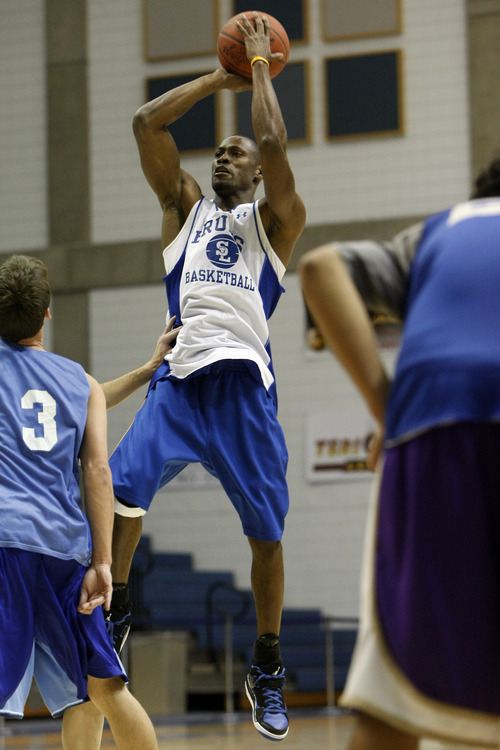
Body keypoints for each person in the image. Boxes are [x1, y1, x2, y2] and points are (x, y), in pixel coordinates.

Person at [105, 11, 305, 742]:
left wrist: (258, 67)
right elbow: (145, 124)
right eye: (218, 150)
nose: (226, 155)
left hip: (244, 393)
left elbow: (277, 140)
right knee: (122, 491)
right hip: (180, 384)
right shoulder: (184, 212)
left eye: (237, 153)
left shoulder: (276, 226)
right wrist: (219, 75)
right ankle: (117, 613)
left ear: (255, 177)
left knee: (267, 536)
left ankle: (268, 664)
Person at [299, 155, 500, 749]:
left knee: (393, 700)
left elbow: (319, 266)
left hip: (432, 431)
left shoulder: (444, 231)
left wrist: (391, 412)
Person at [0, 254, 160, 750]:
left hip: (5, 542)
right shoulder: (79, 382)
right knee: (101, 692)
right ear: (48, 313)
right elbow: (97, 470)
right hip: (65, 552)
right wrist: (105, 563)